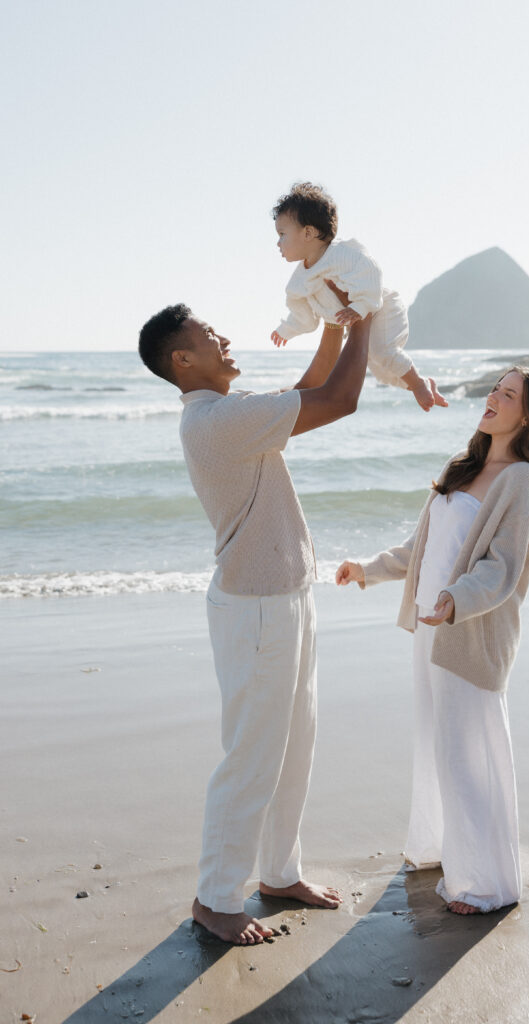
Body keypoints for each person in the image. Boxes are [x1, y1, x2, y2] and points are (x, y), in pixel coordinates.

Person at [138, 295, 371, 945]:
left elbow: (308, 390)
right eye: (210, 335)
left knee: (295, 747)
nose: (225, 339)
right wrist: (367, 324)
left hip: (287, 597)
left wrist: (334, 325)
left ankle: (278, 872)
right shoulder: (217, 421)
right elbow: (339, 399)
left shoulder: (234, 416)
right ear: (184, 359)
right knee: (251, 758)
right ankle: (215, 900)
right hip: (257, 610)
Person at [336, 366, 529, 914]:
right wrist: (367, 569)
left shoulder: (522, 481)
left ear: (528, 416)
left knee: (468, 755)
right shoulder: (462, 467)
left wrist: (457, 598)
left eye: (508, 395)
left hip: (469, 632)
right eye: (495, 388)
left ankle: (484, 882)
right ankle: (441, 850)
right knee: (437, 745)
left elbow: (503, 568)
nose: (493, 397)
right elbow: (424, 547)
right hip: (429, 627)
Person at [271, 181, 448, 412]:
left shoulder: (342, 254)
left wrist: (361, 305)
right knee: (377, 365)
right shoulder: (298, 282)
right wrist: (287, 329)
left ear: (308, 232)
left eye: (282, 234)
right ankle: (418, 384)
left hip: (380, 306)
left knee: (382, 352)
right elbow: (303, 315)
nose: (278, 242)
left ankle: (418, 384)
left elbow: (370, 272)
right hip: (356, 318)